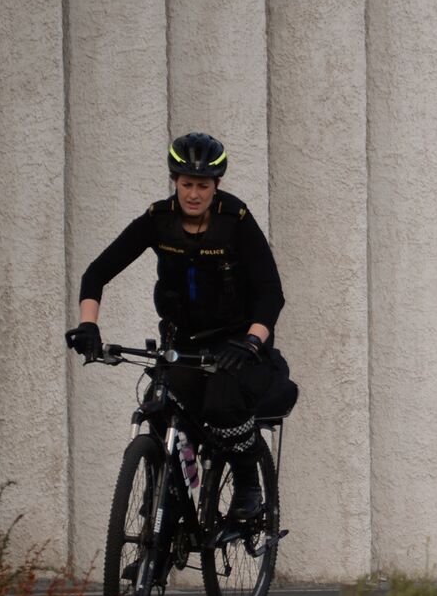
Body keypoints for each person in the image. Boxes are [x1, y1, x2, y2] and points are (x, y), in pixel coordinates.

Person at [66, 132, 289, 523]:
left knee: (223, 406)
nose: (193, 194)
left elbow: (271, 293)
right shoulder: (158, 221)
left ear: (215, 186)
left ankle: (247, 485)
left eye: (203, 186)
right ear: (175, 182)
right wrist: (89, 325)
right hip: (182, 341)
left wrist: (252, 342)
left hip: (236, 344)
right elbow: (97, 273)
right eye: (187, 184)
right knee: (160, 406)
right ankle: (161, 513)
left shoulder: (235, 221)